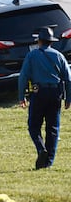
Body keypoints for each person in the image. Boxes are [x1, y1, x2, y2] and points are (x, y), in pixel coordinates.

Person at [18, 27, 71, 169]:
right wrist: (68, 98)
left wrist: (21, 96)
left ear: (39, 41)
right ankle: (48, 162)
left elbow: (23, 76)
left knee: (33, 125)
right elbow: (68, 78)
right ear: (51, 42)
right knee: (53, 128)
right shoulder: (59, 56)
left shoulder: (32, 55)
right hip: (55, 94)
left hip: (38, 93)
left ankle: (41, 149)